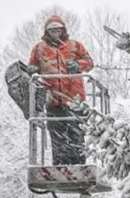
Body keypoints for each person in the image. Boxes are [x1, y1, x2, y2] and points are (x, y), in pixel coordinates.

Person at [27, 15, 94, 165]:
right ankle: (59, 167)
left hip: (75, 100)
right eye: (52, 31)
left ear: (63, 30)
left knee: (76, 134)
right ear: (47, 32)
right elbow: (32, 67)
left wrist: (78, 64)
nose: (56, 33)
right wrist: (32, 69)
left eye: (58, 30)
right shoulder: (39, 49)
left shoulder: (75, 46)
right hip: (53, 100)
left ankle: (78, 166)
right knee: (57, 137)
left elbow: (90, 62)